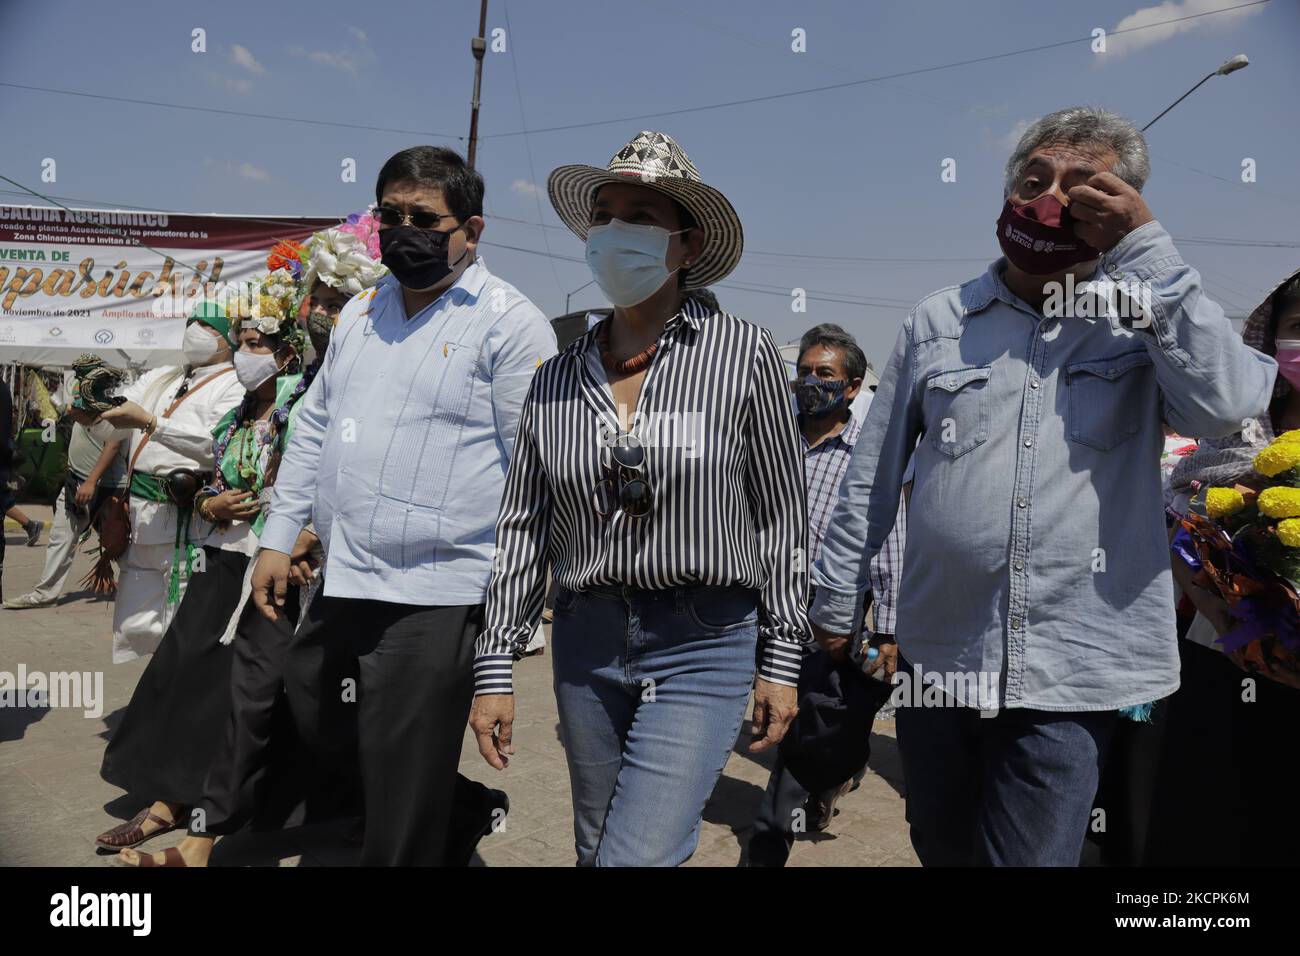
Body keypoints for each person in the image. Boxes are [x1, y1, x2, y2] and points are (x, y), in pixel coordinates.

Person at [808, 107, 1276, 866]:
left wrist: (1148, 251)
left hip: (1075, 673)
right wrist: (835, 603)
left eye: (1081, 187)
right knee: (943, 848)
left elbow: (1226, 403)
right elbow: (872, 473)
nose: (1050, 197)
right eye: (1035, 180)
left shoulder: (1140, 319)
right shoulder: (939, 321)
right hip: (941, 662)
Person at [470, 130, 810, 866]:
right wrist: (495, 668)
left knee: (639, 853)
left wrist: (782, 657)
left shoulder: (743, 353)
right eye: (605, 214)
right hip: (585, 641)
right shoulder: (555, 377)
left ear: (686, 246)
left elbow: (783, 516)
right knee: (596, 846)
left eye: (641, 216)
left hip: (704, 637)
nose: (615, 231)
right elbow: (524, 528)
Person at [249, 146, 557, 866]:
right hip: (345, 576)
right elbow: (315, 424)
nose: (403, 230)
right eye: (390, 215)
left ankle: (416, 825)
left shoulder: (511, 325)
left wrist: (512, 625)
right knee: (315, 707)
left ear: (472, 231)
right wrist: (278, 531)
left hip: (439, 592)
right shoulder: (361, 311)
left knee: (398, 774)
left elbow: (533, 475)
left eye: (425, 218)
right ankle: (452, 809)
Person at [96, 304, 311, 863]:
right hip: (218, 556)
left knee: (247, 696)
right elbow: (207, 463)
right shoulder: (236, 411)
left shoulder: (302, 410)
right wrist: (205, 499)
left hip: (269, 565)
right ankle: (170, 798)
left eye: (259, 343)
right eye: (241, 340)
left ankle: (206, 827)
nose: (246, 353)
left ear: (288, 352)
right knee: (184, 672)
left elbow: (309, 485)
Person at [1150, 266, 1300, 865]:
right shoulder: (1232, 431)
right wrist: (1211, 591)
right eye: (1298, 326)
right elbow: (1176, 522)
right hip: (1226, 656)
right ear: (1270, 341)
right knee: (1209, 825)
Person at [747, 323, 906, 867]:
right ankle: (818, 786)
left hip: (827, 618)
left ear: (854, 386)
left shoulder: (868, 457)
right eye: (805, 372)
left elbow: (885, 542)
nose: (811, 382)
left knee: (807, 729)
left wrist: (885, 629)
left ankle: (769, 844)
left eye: (826, 374)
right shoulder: (771, 444)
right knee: (783, 722)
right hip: (762, 605)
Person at [93, 301, 246, 663]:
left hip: (187, 521)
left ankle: (175, 700)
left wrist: (151, 422)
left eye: (207, 326)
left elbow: (217, 444)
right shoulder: (163, 375)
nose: (196, 330)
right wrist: (91, 406)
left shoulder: (236, 384)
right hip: (140, 521)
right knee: (137, 625)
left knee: (182, 623)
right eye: (191, 321)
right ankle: (157, 694)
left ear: (227, 338)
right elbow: (110, 421)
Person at [3, 410, 128, 609]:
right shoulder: (85, 397)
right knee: (60, 538)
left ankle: (141, 585)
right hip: (76, 481)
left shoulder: (113, 405)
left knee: (116, 542)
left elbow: (113, 444)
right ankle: (45, 593)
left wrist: (91, 481)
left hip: (105, 486)